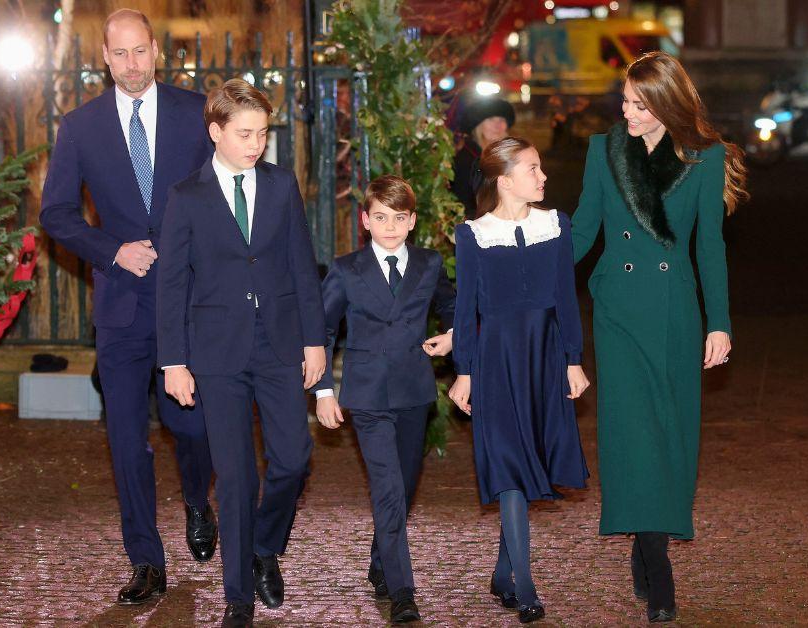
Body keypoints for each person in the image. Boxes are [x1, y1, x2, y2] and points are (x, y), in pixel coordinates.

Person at [38, 9, 217, 605]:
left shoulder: (198, 114)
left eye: (142, 51)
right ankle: (145, 559)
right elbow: (56, 214)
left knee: (190, 426)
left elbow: (226, 193)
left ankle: (197, 498)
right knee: (124, 438)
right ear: (105, 58)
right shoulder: (80, 127)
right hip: (119, 306)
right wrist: (113, 250)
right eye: (122, 54)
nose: (133, 64)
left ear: (156, 52)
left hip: (188, 302)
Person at [570, 51, 747, 623]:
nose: (627, 114)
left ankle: (651, 544)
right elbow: (582, 232)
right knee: (630, 435)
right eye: (624, 101)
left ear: (668, 105)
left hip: (675, 313)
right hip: (619, 312)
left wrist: (718, 321)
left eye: (639, 105)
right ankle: (657, 561)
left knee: (671, 434)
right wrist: (521, 267)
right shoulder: (604, 151)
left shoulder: (706, 158)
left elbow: (710, 248)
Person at [156, 78, 327, 628]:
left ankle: (263, 547)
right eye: (246, 133)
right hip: (216, 353)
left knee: (294, 459)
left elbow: (303, 264)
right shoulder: (187, 196)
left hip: (278, 344)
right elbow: (171, 286)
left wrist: (315, 339)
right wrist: (174, 361)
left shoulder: (280, 186)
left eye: (263, 133)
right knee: (233, 477)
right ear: (216, 131)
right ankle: (238, 596)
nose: (257, 144)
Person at [448, 137, 590, 624]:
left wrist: (573, 359)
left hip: (545, 357)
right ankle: (524, 583)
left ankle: (503, 570)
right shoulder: (472, 235)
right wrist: (463, 371)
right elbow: (466, 309)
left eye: (541, 168)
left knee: (535, 455)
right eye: (533, 169)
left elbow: (566, 300)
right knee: (509, 460)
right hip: (496, 359)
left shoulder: (556, 225)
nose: (543, 177)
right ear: (504, 180)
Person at [312, 175, 457, 623]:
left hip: (414, 392)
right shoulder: (346, 268)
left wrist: (452, 336)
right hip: (368, 394)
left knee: (406, 486)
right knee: (388, 489)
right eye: (380, 218)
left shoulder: (429, 265)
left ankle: (381, 560)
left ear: (412, 221)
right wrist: (323, 391)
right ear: (365, 220)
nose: (390, 227)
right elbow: (322, 330)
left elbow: (454, 306)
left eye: (399, 218)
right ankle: (402, 592)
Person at [451, 96, 515, 219]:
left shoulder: (511, 155)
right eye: (491, 119)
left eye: (502, 119)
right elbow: (462, 200)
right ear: (478, 125)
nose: (498, 125)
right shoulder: (466, 158)